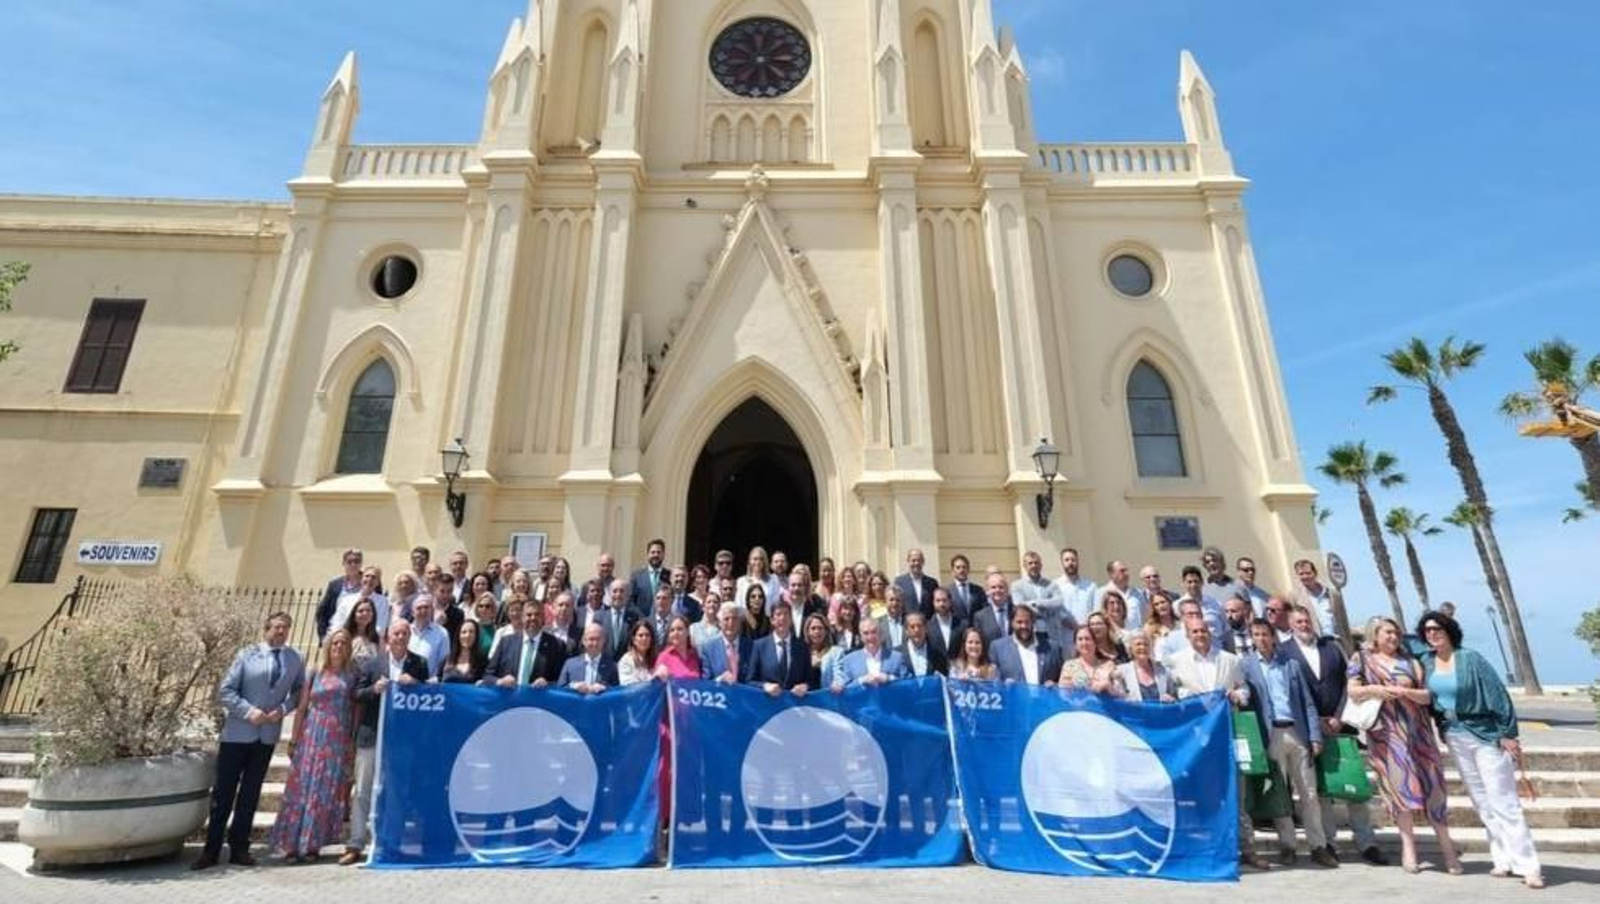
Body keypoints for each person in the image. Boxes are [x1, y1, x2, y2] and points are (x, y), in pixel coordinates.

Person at [1416, 611, 1533, 883]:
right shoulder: (1427, 662)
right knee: (1481, 800)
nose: (1432, 633)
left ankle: (1528, 865)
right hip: (1455, 736)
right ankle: (1502, 858)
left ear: (1449, 630)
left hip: (1484, 734)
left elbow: (1497, 694)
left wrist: (1508, 733)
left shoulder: (1470, 659)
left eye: (1437, 628)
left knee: (1503, 800)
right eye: (1427, 630)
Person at [1349, 615, 1462, 875]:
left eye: (1396, 632)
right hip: (1387, 736)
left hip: (1418, 734)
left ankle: (1447, 850)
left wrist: (1406, 693)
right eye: (1387, 632)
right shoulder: (1362, 659)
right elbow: (1353, 691)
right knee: (1401, 792)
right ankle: (1408, 849)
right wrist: (1377, 690)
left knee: (1434, 789)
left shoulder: (1412, 661)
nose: (1393, 636)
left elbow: (1427, 696)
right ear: (1374, 635)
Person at [195, 612, 305, 871]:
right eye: (277, 627)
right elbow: (226, 690)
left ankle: (239, 848)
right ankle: (211, 849)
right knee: (223, 793)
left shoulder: (295, 658)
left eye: (286, 628)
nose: (281, 632)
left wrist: (283, 708)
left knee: (250, 793)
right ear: (266, 629)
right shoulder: (247, 654)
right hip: (238, 734)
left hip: (266, 736)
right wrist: (248, 711)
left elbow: (300, 691)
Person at [1284, 605, 1385, 865]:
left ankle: (1367, 842)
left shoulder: (1332, 648)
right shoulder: (1285, 653)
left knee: (1354, 786)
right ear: (1290, 625)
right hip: (1310, 729)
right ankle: (1329, 842)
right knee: (1322, 791)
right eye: (1299, 621)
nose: (1304, 625)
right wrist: (1316, 721)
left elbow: (1348, 683)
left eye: (1307, 620)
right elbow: (1291, 694)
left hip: (1343, 725)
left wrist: (1340, 716)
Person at [1167, 618, 1270, 871]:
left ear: (1210, 632)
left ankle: (1247, 849)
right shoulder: (1176, 662)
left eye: (1203, 630)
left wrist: (1237, 695)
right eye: (1194, 631)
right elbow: (1174, 693)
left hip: (1227, 734)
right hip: (1195, 740)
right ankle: (1204, 849)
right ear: (1187, 635)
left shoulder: (1229, 660)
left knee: (1236, 793)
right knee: (1200, 795)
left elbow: (1244, 689)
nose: (1200, 634)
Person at [1244, 619, 1338, 868]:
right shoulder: (1247, 666)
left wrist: (1315, 736)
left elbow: (1307, 702)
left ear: (1273, 636)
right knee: (1280, 794)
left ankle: (1318, 846)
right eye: (1256, 634)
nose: (1261, 638)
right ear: (1251, 638)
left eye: (1265, 634)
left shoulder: (1291, 664)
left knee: (1308, 792)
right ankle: (1288, 845)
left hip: (1296, 732)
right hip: (1270, 734)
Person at [342, 621, 427, 866]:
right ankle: (356, 843)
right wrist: (373, 689)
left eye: (404, 633)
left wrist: (417, 685)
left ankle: (392, 843)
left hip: (401, 739)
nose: (400, 637)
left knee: (397, 790)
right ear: (387, 637)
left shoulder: (418, 664)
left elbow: (429, 695)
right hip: (371, 736)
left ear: (409, 637)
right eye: (395, 633)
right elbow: (356, 694)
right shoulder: (372, 663)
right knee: (362, 790)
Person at [269, 628, 356, 864]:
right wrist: (295, 738)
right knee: (301, 789)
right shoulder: (315, 671)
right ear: (328, 646)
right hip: (311, 735)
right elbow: (303, 706)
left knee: (323, 792)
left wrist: (351, 742)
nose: (339, 647)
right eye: (335, 642)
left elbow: (354, 710)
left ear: (348, 648)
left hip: (336, 740)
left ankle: (312, 845)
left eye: (344, 643)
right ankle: (290, 845)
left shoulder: (351, 676)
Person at [483, 597, 565, 688]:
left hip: (540, 701)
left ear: (543, 618)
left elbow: (562, 681)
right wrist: (500, 681)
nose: (533, 618)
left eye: (537, 614)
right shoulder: (505, 642)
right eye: (529, 615)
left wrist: (548, 684)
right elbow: (488, 676)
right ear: (522, 617)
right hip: (509, 700)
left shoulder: (557, 645)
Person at [990, 605, 1063, 686]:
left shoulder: (1052, 648)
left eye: (1027, 622)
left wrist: (1055, 685)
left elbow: (1062, 680)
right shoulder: (998, 648)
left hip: (1044, 698)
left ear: (1033, 622)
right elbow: (991, 681)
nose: (1023, 626)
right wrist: (1003, 684)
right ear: (1012, 623)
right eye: (1019, 622)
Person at [748, 601, 809, 695]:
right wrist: (765, 686)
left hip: (794, 705)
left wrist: (805, 686)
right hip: (768, 705)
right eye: (778, 614)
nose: (783, 618)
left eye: (786, 614)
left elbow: (811, 680)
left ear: (791, 619)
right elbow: (749, 681)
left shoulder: (802, 646)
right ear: (772, 620)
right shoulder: (759, 646)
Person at [833, 618, 909, 689]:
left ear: (880, 634)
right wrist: (861, 681)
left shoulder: (896, 657)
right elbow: (845, 688)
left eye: (874, 632)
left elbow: (908, 684)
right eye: (866, 633)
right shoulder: (849, 660)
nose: (870, 637)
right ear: (861, 637)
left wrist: (889, 678)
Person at [1010, 551, 1062, 641]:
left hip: (1050, 631)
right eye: (1030, 563)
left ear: (1041, 565)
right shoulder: (1016, 585)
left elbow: (1059, 602)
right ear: (1024, 566)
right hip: (1030, 631)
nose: (1034, 566)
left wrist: (1037, 603)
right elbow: (1020, 606)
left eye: (1036, 563)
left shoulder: (1051, 584)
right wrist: (1047, 608)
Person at [330, 566, 390, 644]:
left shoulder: (382, 601)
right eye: (367, 576)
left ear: (377, 583)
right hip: (346, 641)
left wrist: (364, 640)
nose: (370, 579)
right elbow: (337, 622)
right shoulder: (347, 600)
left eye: (373, 577)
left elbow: (380, 626)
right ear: (361, 579)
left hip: (370, 642)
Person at [315, 548, 364, 641]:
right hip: (336, 634)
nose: (353, 564)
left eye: (357, 561)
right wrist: (323, 636)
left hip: (360, 636)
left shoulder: (368, 582)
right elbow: (322, 611)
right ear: (344, 564)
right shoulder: (335, 585)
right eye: (349, 561)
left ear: (361, 564)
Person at [1058, 625, 1121, 695]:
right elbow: (1062, 694)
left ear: (1095, 643)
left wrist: (1108, 686)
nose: (1084, 643)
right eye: (1080, 639)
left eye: (1087, 639)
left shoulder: (1109, 665)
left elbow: (1123, 696)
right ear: (1075, 644)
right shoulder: (1069, 666)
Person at [559, 623, 620, 694]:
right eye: (591, 639)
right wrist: (574, 686)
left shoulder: (612, 666)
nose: (595, 643)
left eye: (598, 639)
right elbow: (560, 690)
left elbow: (616, 692)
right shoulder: (570, 664)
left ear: (604, 641)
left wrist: (604, 688)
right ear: (584, 641)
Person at [701, 604, 754, 684]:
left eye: (735, 619)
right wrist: (720, 679)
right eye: (726, 619)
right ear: (719, 623)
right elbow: (705, 682)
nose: (731, 623)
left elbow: (757, 678)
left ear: (740, 622)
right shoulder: (708, 649)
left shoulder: (752, 647)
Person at [1115, 633, 1175, 702]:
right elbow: (1118, 697)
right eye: (1138, 644)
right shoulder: (1121, 671)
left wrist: (1170, 698)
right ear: (1131, 649)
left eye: (1146, 644)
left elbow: (1174, 695)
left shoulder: (1163, 670)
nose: (1142, 647)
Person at [1053, 547, 1097, 636]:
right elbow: (1055, 611)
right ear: (1062, 563)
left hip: (1087, 636)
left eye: (1073, 560)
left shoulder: (1091, 586)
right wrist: (1069, 624)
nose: (1070, 563)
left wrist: (1086, 626)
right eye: (1067, 560)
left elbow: (1096, 611)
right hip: (1064, 637)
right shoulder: (1054, 586)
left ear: (1078, 562)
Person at [1177, 565, 1226, 642]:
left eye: (1196, 581)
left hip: (1216, 647)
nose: (1193, 585)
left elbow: (1226, 630)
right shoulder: (1176, 606)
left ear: (1202, 582)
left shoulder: (1215, 604)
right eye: (1189, 582)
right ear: (1183, 583)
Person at [1292, 559, 1338, 640]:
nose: (1305, 576)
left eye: (1308, 573)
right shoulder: (1295, 597)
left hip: (1335, 639)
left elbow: (1342, 620)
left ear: (1315, 573)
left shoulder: (1331, 594)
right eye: (1301, 574)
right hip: (1314, 642)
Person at [407, 595, 449, 679]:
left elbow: (444, 662)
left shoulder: (442, 633)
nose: (423, 611)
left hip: (429, 686)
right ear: (412, 612)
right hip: (405, 684)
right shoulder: (405, 631)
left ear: (432, 610)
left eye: (426, 607)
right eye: (419, 608)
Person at [628, 538, 670, 617]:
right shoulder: (636, 576)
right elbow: (630, 601)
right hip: (641, 623)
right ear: (648, 554)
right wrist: (643, 618)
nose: (655, 555)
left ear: (663, 554)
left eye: (658, 552)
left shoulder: (670, 576)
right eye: (652, 552)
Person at [893, 548, 940, 618]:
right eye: (913, 560)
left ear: (923, 562)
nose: (916, 563)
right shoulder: (899, 582)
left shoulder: (932, 583)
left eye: (919, 560)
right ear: (908, 561)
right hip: (907, 625)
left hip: (927, 625)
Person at [601, 578, 639, 661]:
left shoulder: (635, 618)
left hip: (627, 665)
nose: (618, 594)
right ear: (609, 594)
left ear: (628, 595)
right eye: (614, 591)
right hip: (605, 664)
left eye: (622, 591)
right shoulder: (599, 617)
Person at [899, 611, 946, 677]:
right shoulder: (898, 653)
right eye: (912, 627)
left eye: (919, 626)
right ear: (906, 631)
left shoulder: (937, 654)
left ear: (926, 629)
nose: (916, 630)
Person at [926, 587, 964, 665]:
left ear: (950, 602)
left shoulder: (962, 624)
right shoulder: (927, 626)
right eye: (938, 601)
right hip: (936, 672)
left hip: (958, 671)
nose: (941, 604)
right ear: (933, 603)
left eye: (944, 600)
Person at [441, 619, 486, 683]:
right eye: (464, 632)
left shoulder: (483, 661)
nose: (467, 636)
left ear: (476, 635)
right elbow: (438, 679)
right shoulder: (448, 659)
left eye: (471, 632)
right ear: (458, 636)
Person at [801, 612, 839, 689]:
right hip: (806, 698)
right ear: (807, 632)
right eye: (813, 628)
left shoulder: (835, 652)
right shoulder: (800, 652)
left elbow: (839, 675)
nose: (817, 631)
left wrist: (837, 683)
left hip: (826, 697)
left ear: (826, 631)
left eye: (820, 628)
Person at [973, 571, 1013, 643]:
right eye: (993, 587)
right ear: (987, 591)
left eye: (1001, 587)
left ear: (1007, 589)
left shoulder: (1017, 611)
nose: (997, 590)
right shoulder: (980, 616)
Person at [342, 597, 383, 666]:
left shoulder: (377, 638)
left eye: (368, 611)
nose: (365, 613)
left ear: (373, 615)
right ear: (354, 616)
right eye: (360, 611)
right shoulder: (345, 636)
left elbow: (381, 663)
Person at [617, 620, 659, 687]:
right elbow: (628, 686)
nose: (644, 638)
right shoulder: (626, 661)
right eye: (640, 635)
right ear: (634, 639)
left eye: (647, 635)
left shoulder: (656, 659)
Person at [545, 590, 583, 658]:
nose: (564, 608)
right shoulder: (544, 631)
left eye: (567, 605)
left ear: (572, 610)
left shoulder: (580, 633)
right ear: (553, 609)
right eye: (560, 605)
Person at [945, 553, 983, 621]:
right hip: (956, 630)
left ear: (968, 570)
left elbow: (983, 612)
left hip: (975, 629)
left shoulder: (978, 590)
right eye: (958, 567)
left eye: (964, 567)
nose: (961, 570)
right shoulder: (947, 591)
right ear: (952, 571)